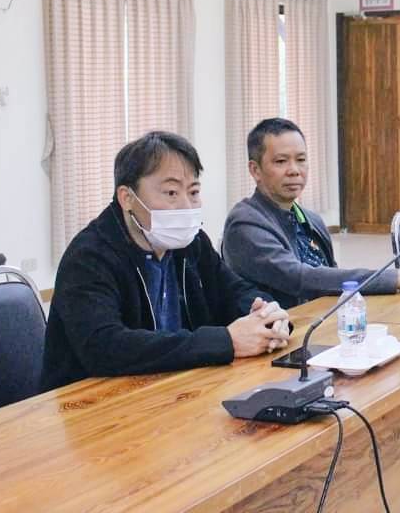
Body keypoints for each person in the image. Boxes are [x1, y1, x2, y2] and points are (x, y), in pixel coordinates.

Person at [41, 132, 290, 392]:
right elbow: (104, 346)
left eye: (193, 192)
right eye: (171, 192)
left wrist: (268, 317)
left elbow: (235, 290)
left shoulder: (191, 243)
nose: (186, 206)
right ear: (127, 198)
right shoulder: (89, 257)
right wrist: (225, 341)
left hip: (177, 388)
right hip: (95, 402)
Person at [223, 118, 400, 309]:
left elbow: (331, 278)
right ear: (255, 170)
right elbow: (298, 278)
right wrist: (392, 279)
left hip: (325, 321)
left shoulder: (311, 219)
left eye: (301, 159)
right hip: (280, 334)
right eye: (281, 161)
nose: (294, 170)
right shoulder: (245, 224)